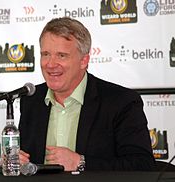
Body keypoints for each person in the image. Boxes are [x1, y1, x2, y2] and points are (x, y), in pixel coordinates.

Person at [18, 17, 155, 171]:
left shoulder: (121, 102)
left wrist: (81, 163)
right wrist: (16, 164)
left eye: (61, 55)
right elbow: (27, 161)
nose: (50, 64)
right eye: (46, 54)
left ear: (84, 60)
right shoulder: (31, 100)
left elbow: (142, 165)